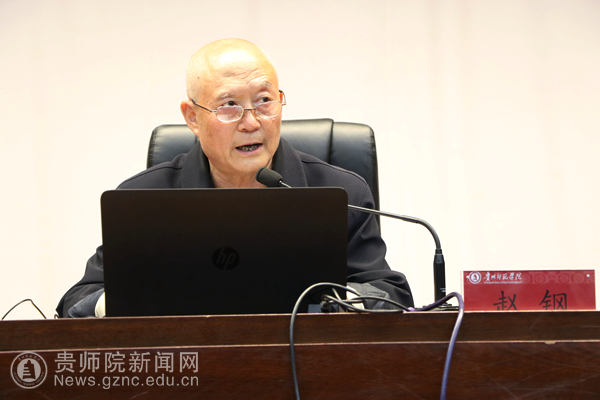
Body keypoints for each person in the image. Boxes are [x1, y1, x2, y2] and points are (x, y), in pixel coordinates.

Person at [56, 39, 414, 317]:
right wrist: (127, 300)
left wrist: (337, 305)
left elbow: (390, 293)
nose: (251, 122)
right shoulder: (142, 198)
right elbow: (77, 301)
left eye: (264, 100)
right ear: (192, 118)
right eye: (229, 105)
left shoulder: (341, 194)